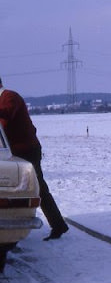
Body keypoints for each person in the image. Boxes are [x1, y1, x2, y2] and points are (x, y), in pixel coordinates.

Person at [0, 78, 69, 240]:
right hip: (13, 151)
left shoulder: (10, 97)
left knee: (38, 187)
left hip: (26, 151)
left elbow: (4, 119)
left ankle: (58, 226)